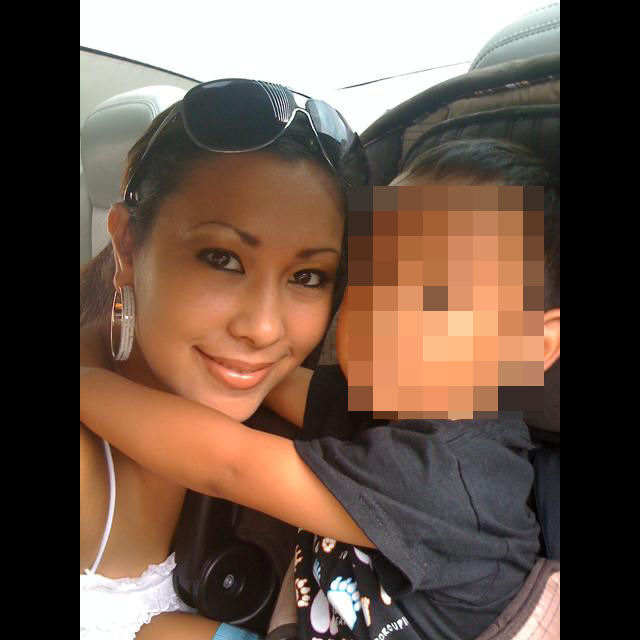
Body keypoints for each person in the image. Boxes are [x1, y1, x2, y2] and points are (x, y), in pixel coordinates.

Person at [80, 138, 555, 639]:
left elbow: (229, 464)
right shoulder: (403, 407)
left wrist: (87, 386)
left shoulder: (447, 480)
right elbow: (274, 380)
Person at [80, 78, 366, 639]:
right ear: (128, 244)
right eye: (222, 259)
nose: (263, 329)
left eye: (308, 276)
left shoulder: (266, 392)